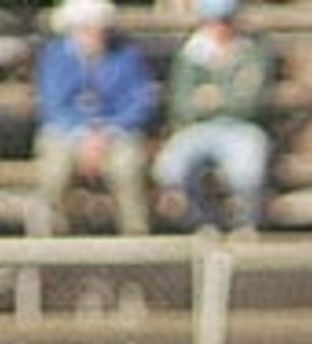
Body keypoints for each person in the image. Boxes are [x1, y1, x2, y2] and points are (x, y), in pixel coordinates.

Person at [34, 0, 157, 234]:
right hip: (65, 131)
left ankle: (136, 239)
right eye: (86, 29)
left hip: (118, 131)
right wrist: (81, 134)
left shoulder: (127, 55)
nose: (93, 36)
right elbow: (51, 104)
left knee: (128, 167)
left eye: (98, 30)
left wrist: (106, 133)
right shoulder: (55, 56)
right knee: (53, 172)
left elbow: (140, 101)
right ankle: (49, 241)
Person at [153, 0, 273, 231]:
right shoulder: (191, 55)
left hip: (240, 127)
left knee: (248, 171)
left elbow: (250, 103)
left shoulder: (251, 52)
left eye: (225, 21)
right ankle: (202, 221)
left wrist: (212, 99)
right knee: (170, 168)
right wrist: (224, 98)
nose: (220, 27)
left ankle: (245, 224)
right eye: (214, 21)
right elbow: (182, 104)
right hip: (198, 128)